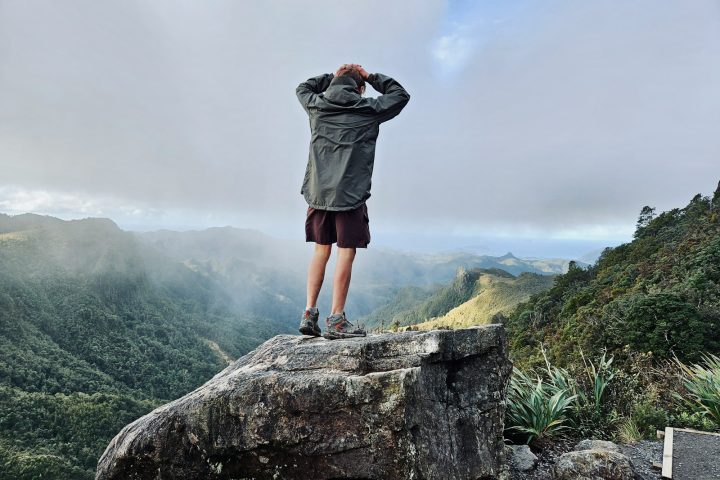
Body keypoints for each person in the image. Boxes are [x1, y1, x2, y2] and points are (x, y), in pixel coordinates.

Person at [295, 63, 410, 339]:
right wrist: (370, 76)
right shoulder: (368, 109)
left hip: (319, 194)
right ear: (360, 88)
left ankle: (309, 313)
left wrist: (331, 78)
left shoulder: (317, 106)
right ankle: (336, 319)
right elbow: (400, 94)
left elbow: (303, 87)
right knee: (346, 252)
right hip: (350, 196)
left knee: (321, 251)